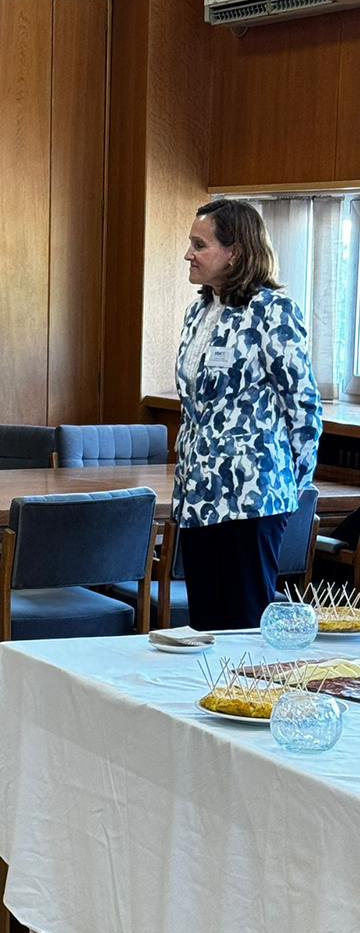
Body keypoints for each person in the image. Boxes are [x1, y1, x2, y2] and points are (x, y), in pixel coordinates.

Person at [174, 198, 322, 629]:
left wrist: (289, 483)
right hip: (198, 496)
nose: (189, 254)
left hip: (253, 498)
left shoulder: (272, 312)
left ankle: (253, 698)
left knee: (244, 627)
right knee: (204, 627)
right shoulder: (198, 311)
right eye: (190, 243)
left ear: (235, 251)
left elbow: (302, 404)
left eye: (199, 244)